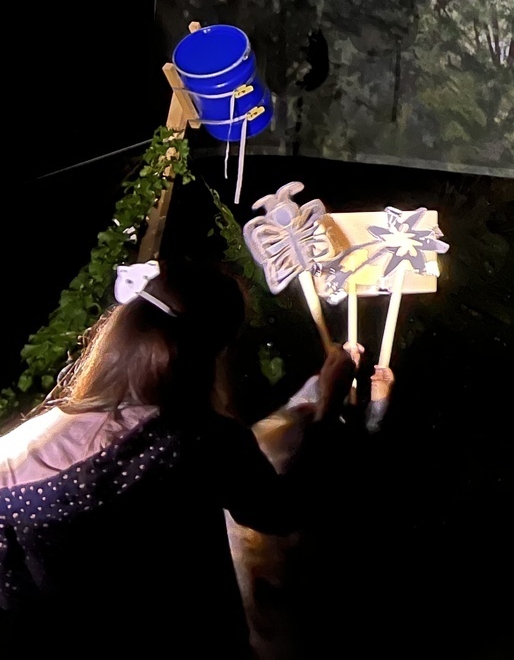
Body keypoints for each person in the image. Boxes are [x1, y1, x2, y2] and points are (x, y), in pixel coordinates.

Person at [0, 260, 390, 653]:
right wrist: (328, 407)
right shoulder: (195, 438)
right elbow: (281, 512)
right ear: (206, 352)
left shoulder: (18, 448)